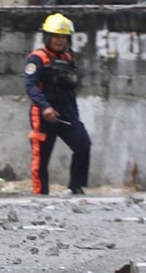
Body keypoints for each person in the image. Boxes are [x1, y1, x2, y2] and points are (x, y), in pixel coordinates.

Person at [24, 13, 91, 195]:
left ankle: (75, 186)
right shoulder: (37, 58)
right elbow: (30, 87)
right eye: (56, 36)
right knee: (41, 158)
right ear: (47, 37)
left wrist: (75, 115)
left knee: (83, 144)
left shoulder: (69, 58)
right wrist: (45, 106)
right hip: (43, 115)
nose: (59, 40)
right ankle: (41, 194)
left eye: (63, 37)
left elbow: (71, 90)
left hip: (66, 114)